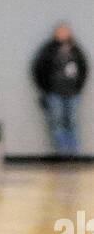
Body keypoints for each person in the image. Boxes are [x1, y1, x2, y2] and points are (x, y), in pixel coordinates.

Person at [31, 24, 88, 157]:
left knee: (72, 122)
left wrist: (79, 87)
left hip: (72, 93)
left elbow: (83, 69)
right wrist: (45, 88)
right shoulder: (48, 49)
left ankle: (74, 153)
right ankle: (62, 153)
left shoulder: (75, 49)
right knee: (57, 122)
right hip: (54, 92)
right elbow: (38, 69)